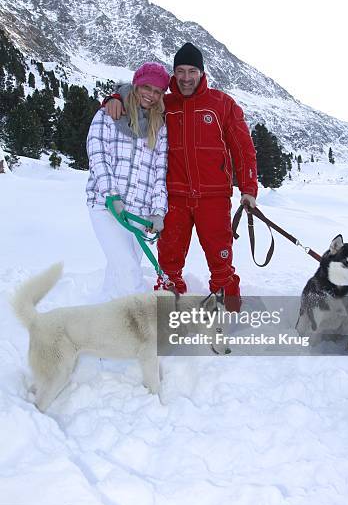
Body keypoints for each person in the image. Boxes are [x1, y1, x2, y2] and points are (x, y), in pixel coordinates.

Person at [104, 43, 257, 310]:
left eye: (192, 71)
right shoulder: (165, 104)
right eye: (180, 71)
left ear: (201, 72)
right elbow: (136, 102)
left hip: (214, 198)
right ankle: (168, 311)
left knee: (221, 262)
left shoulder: (222, 104)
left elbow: (243, 149)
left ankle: (229, 311)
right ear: (174, 73)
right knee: (169, 262)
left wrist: (248, 189)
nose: (186, 78)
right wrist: (114, 98)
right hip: (174, 198)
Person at [87, 62, 169, 300]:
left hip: (140, 213)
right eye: (147, 87)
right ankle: (149, 330)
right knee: (129, 273)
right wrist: (111, 194)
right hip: (106, 206)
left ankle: (106, 325)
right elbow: (97, 154)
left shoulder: (159, 127)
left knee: (117, 276)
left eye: (157, 91)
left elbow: (159, 172)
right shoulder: (109, 113)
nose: (151, 95)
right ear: (136, 85)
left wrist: (157, 212)